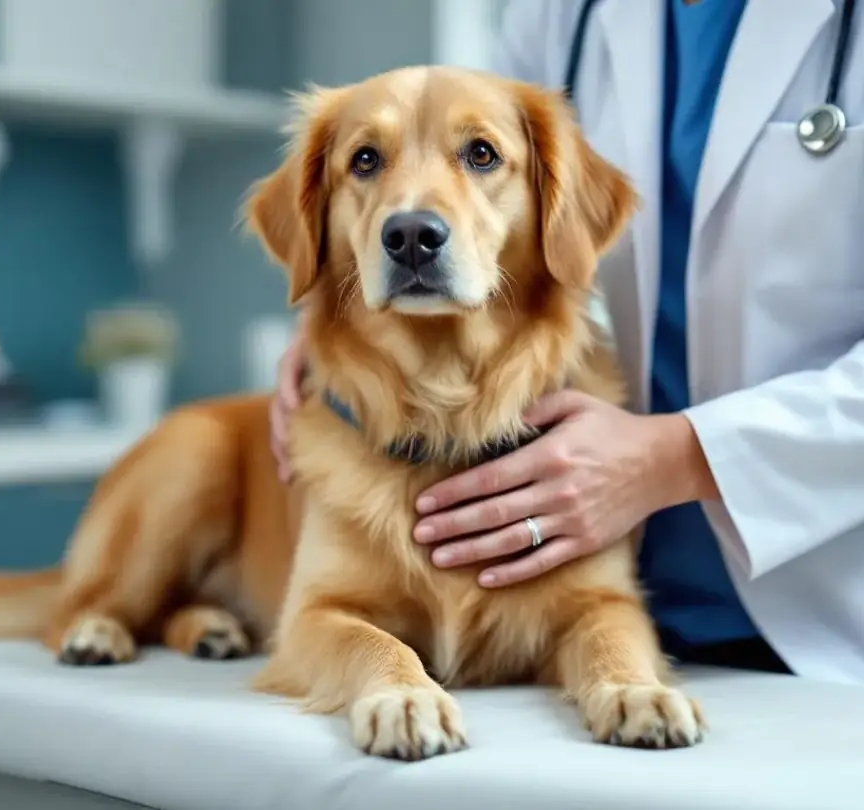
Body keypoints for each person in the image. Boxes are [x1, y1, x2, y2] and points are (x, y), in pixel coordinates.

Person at [269, 0, 864, 684]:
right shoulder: (560, 10)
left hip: (833, 621)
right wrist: (335, 315)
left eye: (480, 156)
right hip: (626, 606)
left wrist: (679, 457)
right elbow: (454, 185)